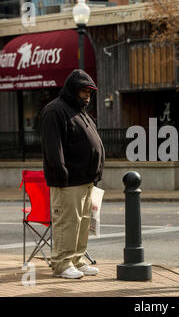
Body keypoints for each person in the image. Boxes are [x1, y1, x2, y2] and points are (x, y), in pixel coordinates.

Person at [39, 69, 105, 279]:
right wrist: (62, 174)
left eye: (89, 92)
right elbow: (53, 148)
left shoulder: (80, 111)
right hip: (68, 181)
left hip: (85, 179)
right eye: (83, 91)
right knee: (67, 222)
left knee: (83, 221)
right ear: (73, 90)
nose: (87, 95)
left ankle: (76, 259)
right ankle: (61, 264)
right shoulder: (55, 111)